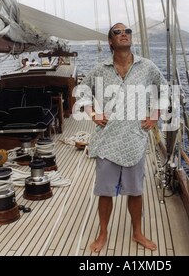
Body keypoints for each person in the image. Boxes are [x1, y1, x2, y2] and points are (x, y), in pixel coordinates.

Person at [77, 23, 166, 252]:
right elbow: (82, 90)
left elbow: (165, 90)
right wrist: (93, 113)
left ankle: (137, 233)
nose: (124, 34)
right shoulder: (100, 70)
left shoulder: (147, 67)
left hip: (134, 140)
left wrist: (155, 116)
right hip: (107, 141)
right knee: (105, 192)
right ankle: (103, 233)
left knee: (136, 192)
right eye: (117, 32)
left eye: (127, 31)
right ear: (110, 41)